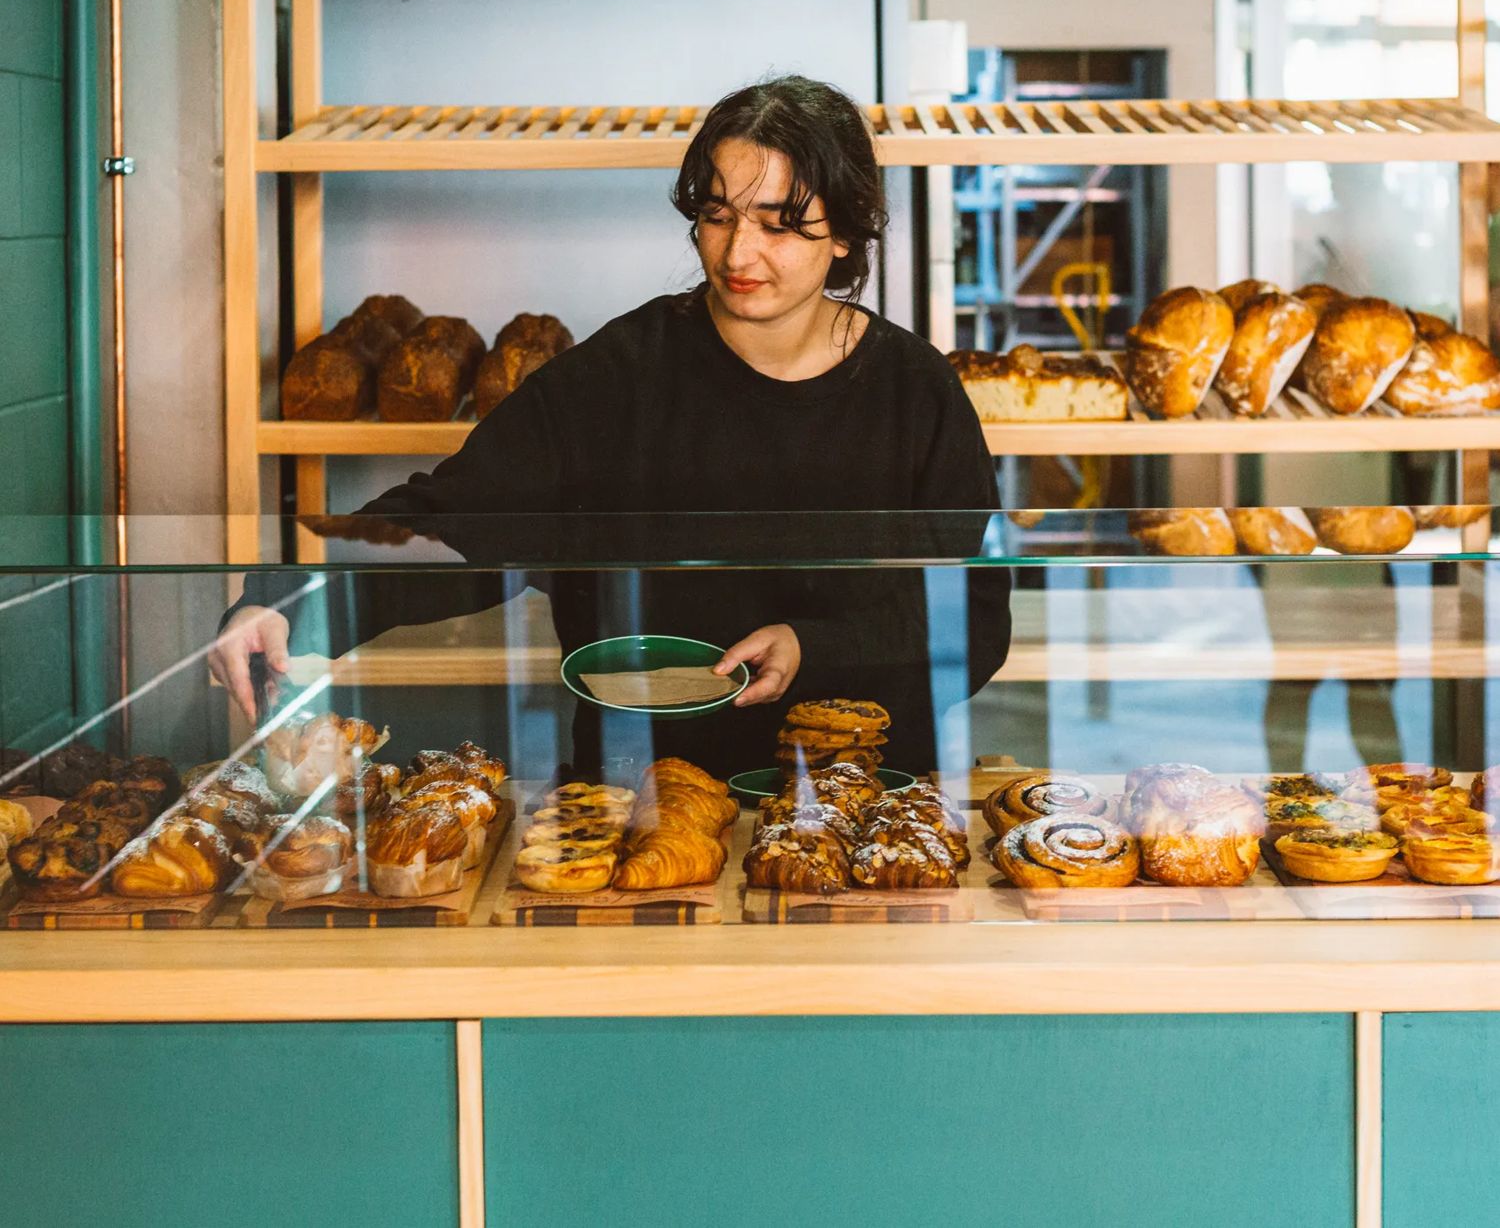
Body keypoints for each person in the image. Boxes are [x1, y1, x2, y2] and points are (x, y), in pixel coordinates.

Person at [211, 75, 1010, 778]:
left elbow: (972, 619)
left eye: (779, 224)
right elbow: (457, 523)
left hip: (862, 791)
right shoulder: (623, 372)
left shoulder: (915, 392)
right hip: (638, 791)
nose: (738, 251)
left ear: (843, 235)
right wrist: (286, 603)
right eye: (717, 214)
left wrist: (814, 647)